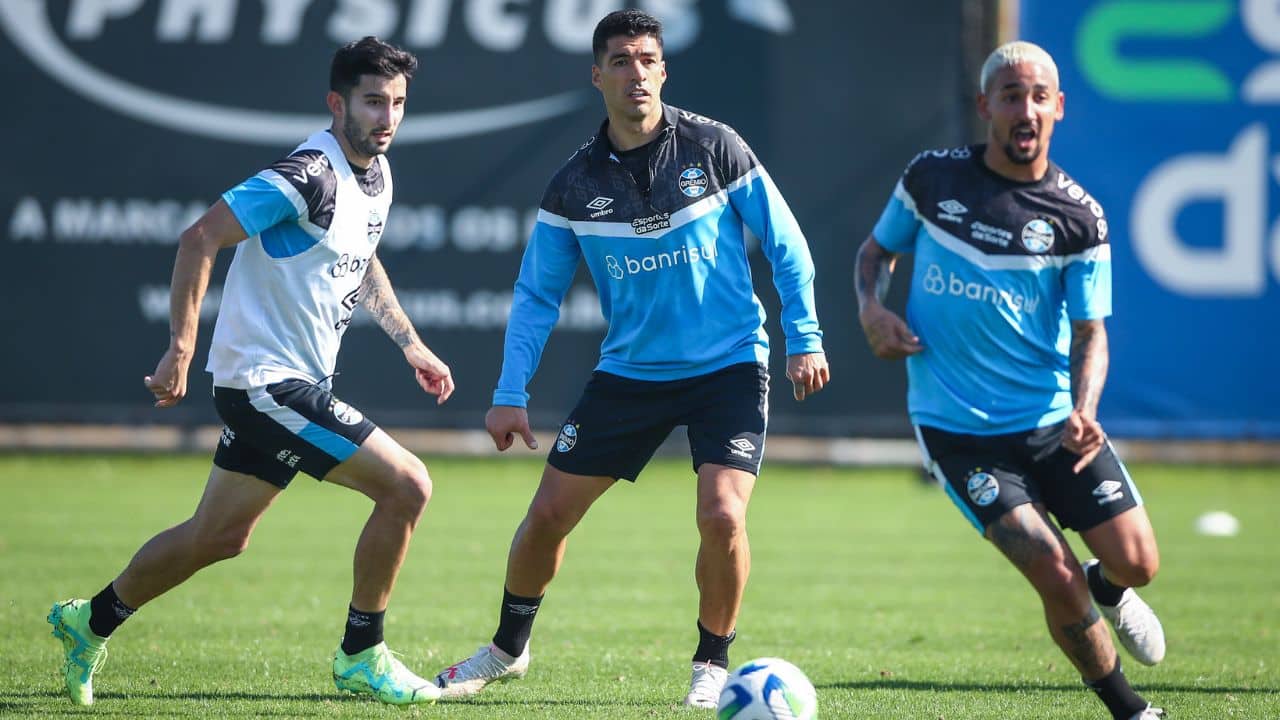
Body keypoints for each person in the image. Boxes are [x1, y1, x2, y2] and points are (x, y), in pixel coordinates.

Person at [430, 8, 829, 709]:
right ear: (597, 75)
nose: (635, 72)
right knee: (548, 514)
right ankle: (505, 651)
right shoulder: (574, 183)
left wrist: (806, 335)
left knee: (723, 517)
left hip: (729, 365)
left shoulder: (715, 148)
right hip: (631, 374)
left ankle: (712, 664)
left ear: (664, 70)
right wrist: (509, 390)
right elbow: (535, 296)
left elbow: (787, 245)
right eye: (620, 60)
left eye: (647, 59)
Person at [47, 36, 451, 707]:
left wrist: (409, 343)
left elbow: (362, 255)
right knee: (408, 485)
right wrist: (180, 347)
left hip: (295, 385)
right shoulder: (307, 174)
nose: (387, 116)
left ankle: (87, 622)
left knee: (220, 537)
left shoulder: (376, 173)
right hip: (265, 385)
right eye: (373, 101)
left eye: (399, 103)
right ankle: (362, 654)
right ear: (336, 102)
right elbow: (199, 236)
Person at [855, 41, 1165, 720]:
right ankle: (1130, 710)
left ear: (1058, 107)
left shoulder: (1079, 219)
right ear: (985, 106)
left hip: (1054, 422)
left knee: (1139, 564)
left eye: (1037, 95)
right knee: (1051, 570)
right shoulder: (932, 180)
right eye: (1011, 95)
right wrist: (872, 308)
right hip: (959, 430)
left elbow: (1091, 333)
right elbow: (876, 253)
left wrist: (1085, 409)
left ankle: (1107, 589)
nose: (1025, 108)